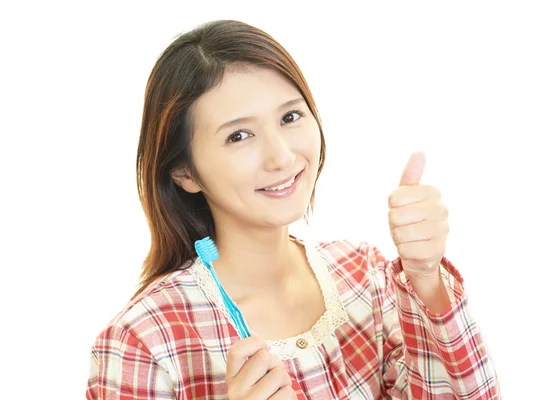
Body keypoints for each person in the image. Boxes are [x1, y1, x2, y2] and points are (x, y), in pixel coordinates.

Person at [86, 20, 500, 399]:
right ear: (184, 172)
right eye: (240, 135)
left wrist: (425, 275)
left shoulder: (365, 278)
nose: (282, 157)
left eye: (290, 116)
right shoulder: (143, 342)